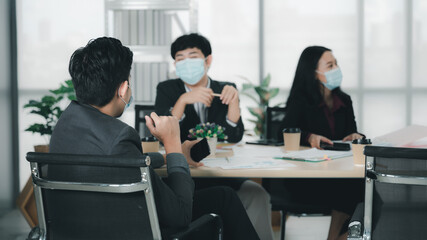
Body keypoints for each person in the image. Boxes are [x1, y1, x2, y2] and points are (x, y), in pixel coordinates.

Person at [49, 37, 259, 240]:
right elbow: (180, 215)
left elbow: (119, 160)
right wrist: (173, 145)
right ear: (123, 88)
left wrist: (169, 158)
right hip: (131, 229)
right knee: (225, 197)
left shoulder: (66, 123)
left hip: (80, 226)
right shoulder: (120, 136)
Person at [155, 33, 274, 240]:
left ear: (207, 60)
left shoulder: (224, 89)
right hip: (185, 176)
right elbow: (161, 135)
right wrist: (182, 101)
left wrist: (234, 103)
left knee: (257, 194)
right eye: (180, 59)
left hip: (221, 172)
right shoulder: (167, 89)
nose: (186, 63)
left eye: (192, 56)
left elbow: (234, 137)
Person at [278, 46, 365, 240]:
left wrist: (354, 135)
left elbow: (351, 131)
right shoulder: (300, 100)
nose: (336, 69)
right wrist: (308, 137)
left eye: (336, 64)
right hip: (307, 178)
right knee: (351, 188)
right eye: (330, 65)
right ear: (314, 72)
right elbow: (282, 133)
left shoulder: (344, 100)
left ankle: (336, 237)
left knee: (363, 185)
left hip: (339, 173)